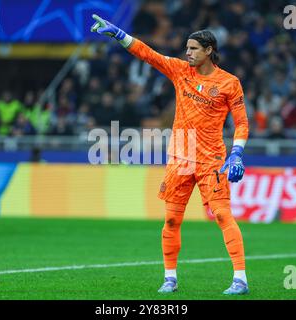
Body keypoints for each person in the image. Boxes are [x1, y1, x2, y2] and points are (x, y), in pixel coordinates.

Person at [91, 15, 249, 295]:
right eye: (187, 48)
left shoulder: (229, 83)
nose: (187, 53)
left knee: (223, 215)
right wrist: (119, 34)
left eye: (193, 49)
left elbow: (242, 122)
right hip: (180, 156)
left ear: (209, 50)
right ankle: (170, 278)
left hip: (212, 158)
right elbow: (148, 54)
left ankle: (240, 279)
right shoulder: (180, 70)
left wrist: (236, 154)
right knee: (172, 220)